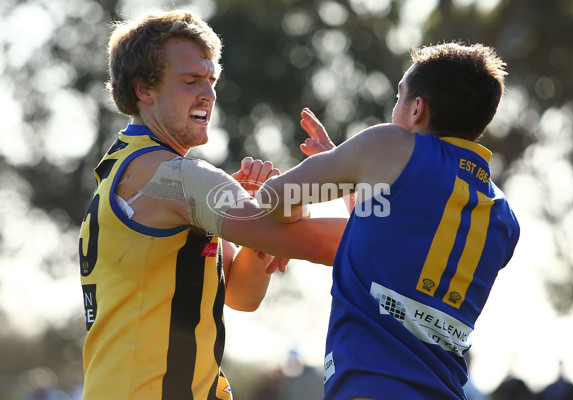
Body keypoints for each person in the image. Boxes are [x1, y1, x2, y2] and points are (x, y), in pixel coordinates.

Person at [77, 10, 347, 400]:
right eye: (190, 80)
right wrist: (344, 179)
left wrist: (260, 230)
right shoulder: (179, 178)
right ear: (143, 89)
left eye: (211, 79)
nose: (209, 93)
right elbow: (321, 244)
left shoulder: (125, 166)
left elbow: (241, 296)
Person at [258, 42, 520, 399]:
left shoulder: (390, 144)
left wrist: (294, 214)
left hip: (371, 388)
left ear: (416, 109)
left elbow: (272, 199)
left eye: (399, 97)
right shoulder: (503, 217)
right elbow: (397, 241)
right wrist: (349, 175)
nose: (394, 109)